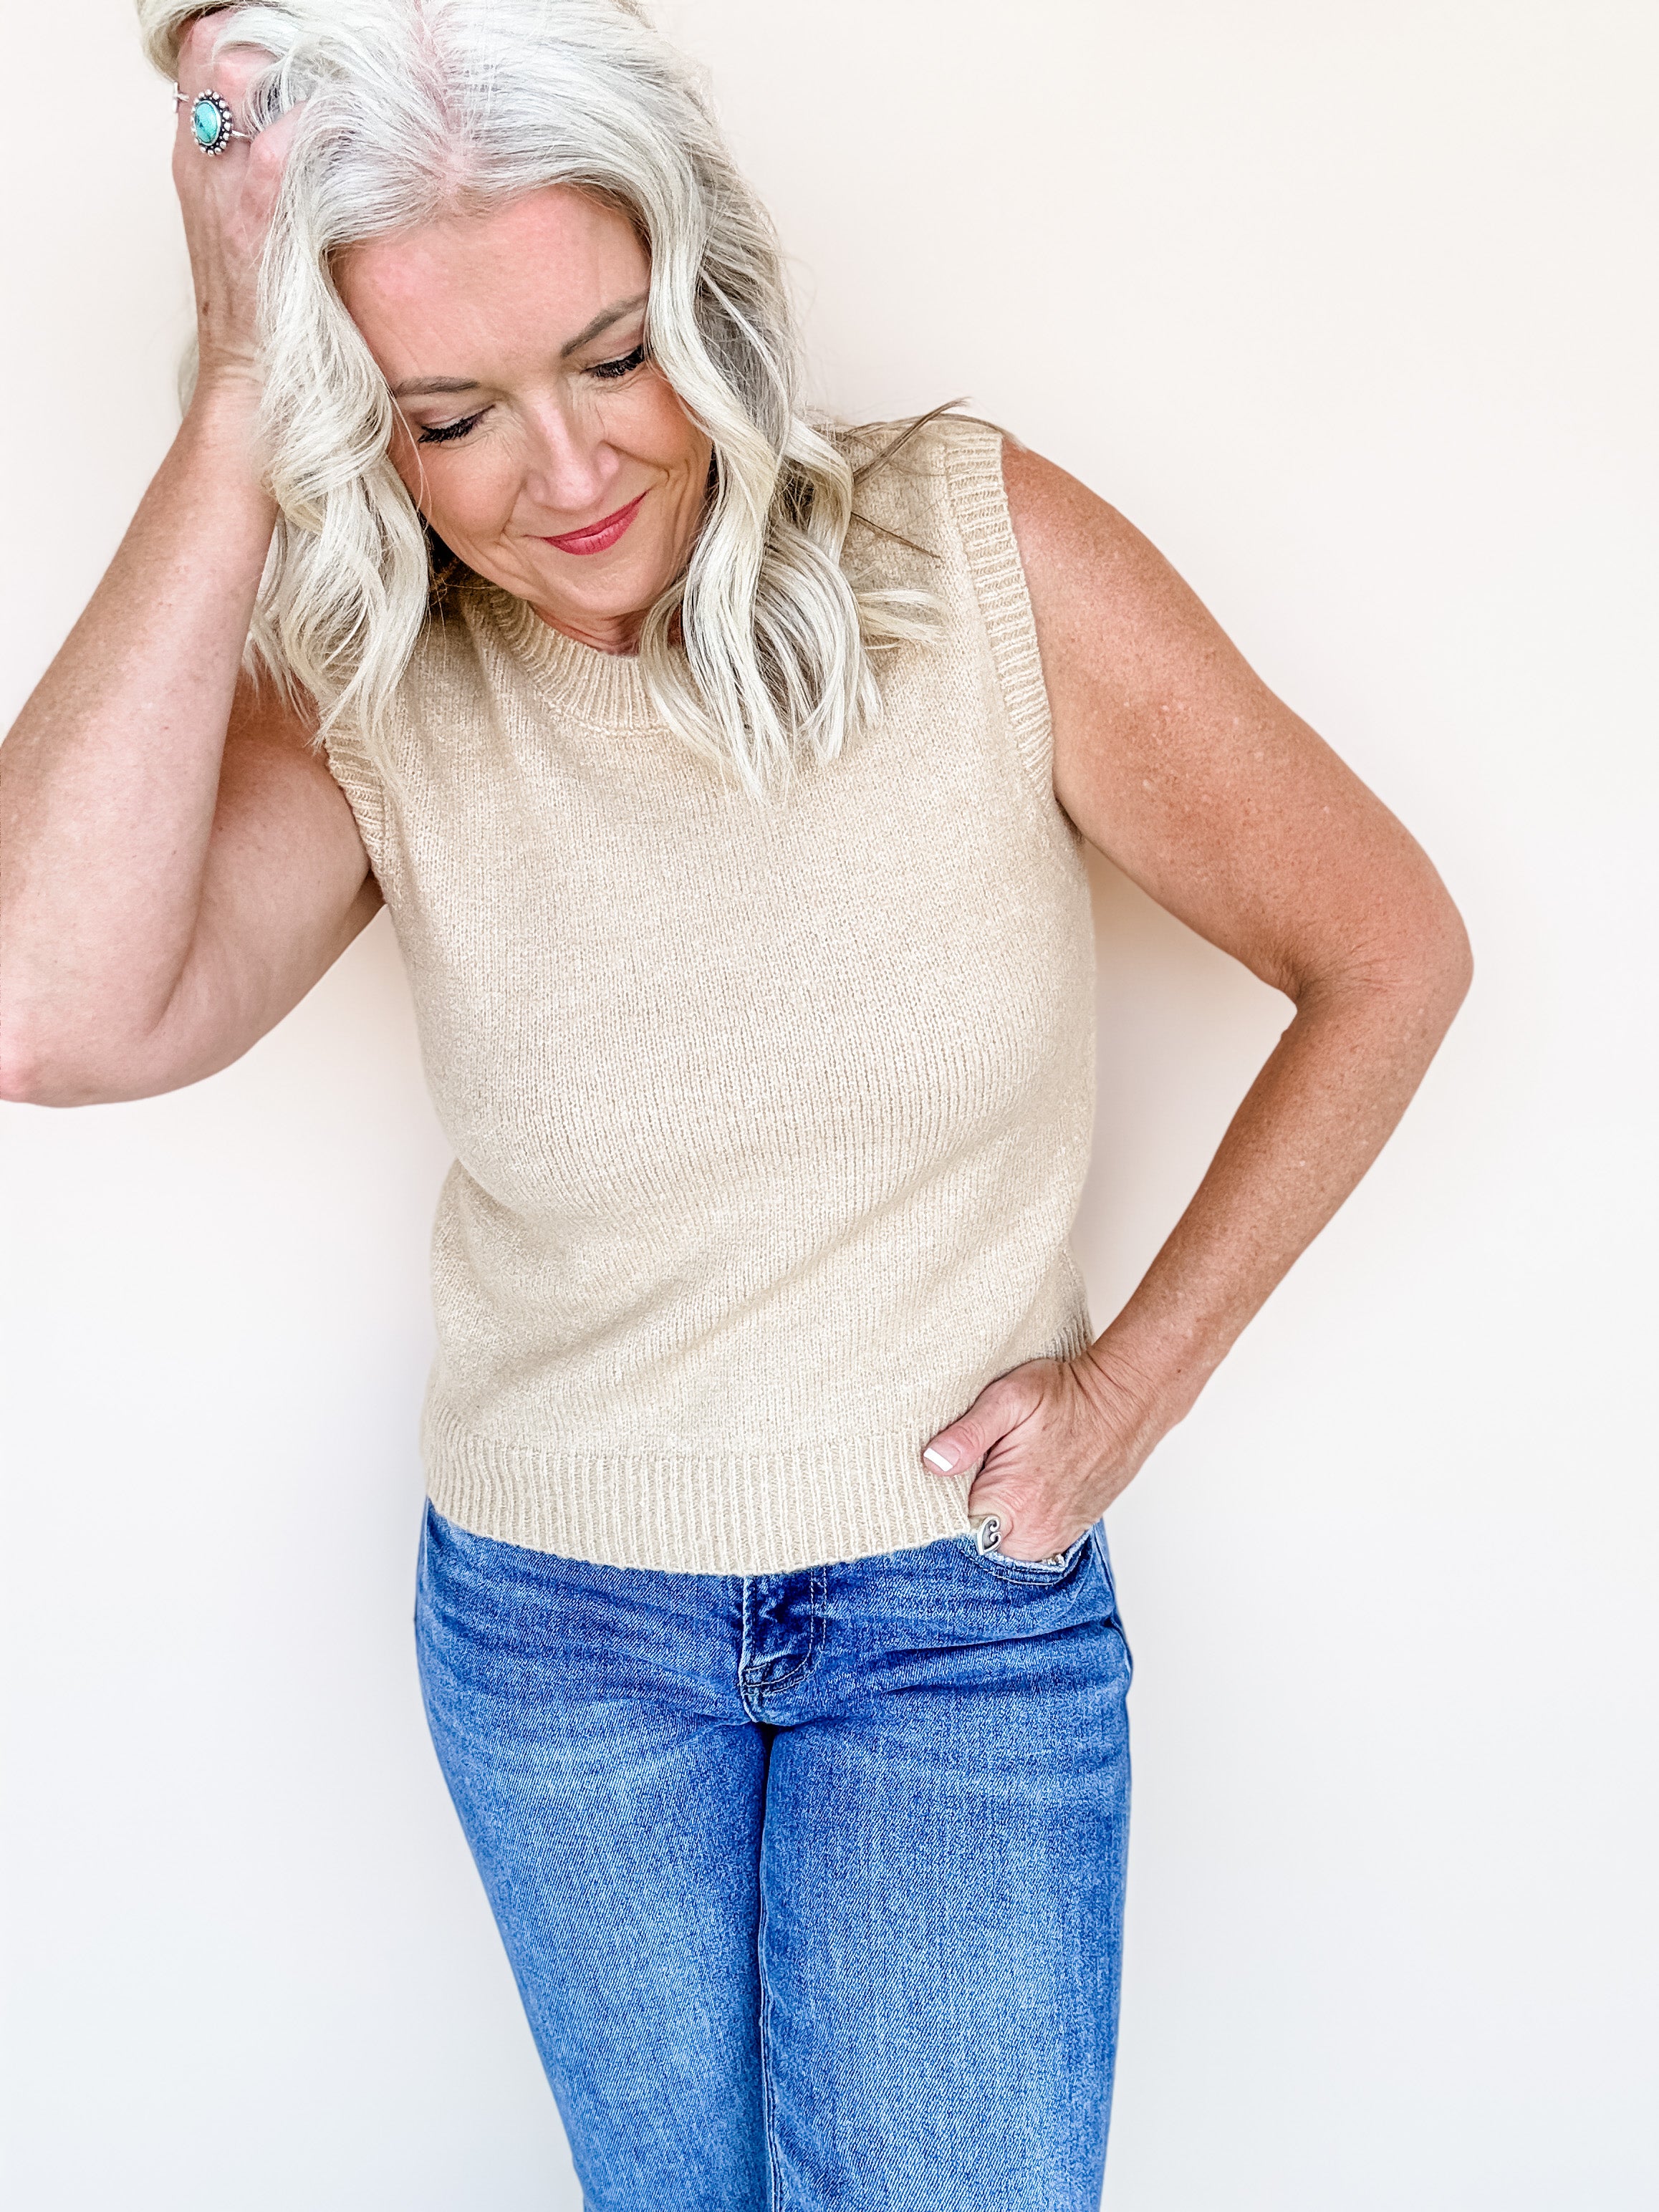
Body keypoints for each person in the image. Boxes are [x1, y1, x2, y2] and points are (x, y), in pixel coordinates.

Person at [0, 2, 1472, 2205]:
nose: (569, 476)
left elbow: (1387, 951)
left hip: (950, 1617)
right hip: (552, 1630)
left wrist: (1126, 1391)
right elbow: (46, 1013)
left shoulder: (976, 553)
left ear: (707, 289)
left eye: (614, 355)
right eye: (447, 414)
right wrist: (230, 401)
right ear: (361, 436)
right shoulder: (375, 680)